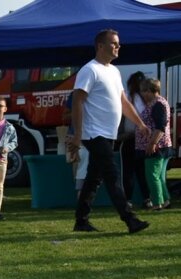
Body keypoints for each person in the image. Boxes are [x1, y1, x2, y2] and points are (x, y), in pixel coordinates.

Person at [69, 29, 149, 234]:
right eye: (113, 43)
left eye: (118, 43)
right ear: (100, 46)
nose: (118, 47)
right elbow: (77, 102)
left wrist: (140, 124)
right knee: (112, 174)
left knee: (94, 178)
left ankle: (81, 220)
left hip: (107, 133)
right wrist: (77, 136)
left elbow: (123, 102)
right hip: (93, 133)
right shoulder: (89, 70)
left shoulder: (113, 71)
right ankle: (129, 219)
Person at [137, 78, 173, 210]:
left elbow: (160, 127)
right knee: (159, 176)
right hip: (162, 146)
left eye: (144, 91)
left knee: (152, 175)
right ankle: (165, 200)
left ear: (152, 90)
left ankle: (158, 203)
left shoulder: (158, 104)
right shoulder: (157, 103)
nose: (142, 94)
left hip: (157, 147)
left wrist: (152, 143)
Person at [122, 72, 152, 209]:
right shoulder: (147, 101)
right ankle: (147, 198)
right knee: (142, 171)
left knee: (128, 171)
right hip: (145, 139)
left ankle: (128, 200)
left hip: (131, 138)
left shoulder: (130, 98)